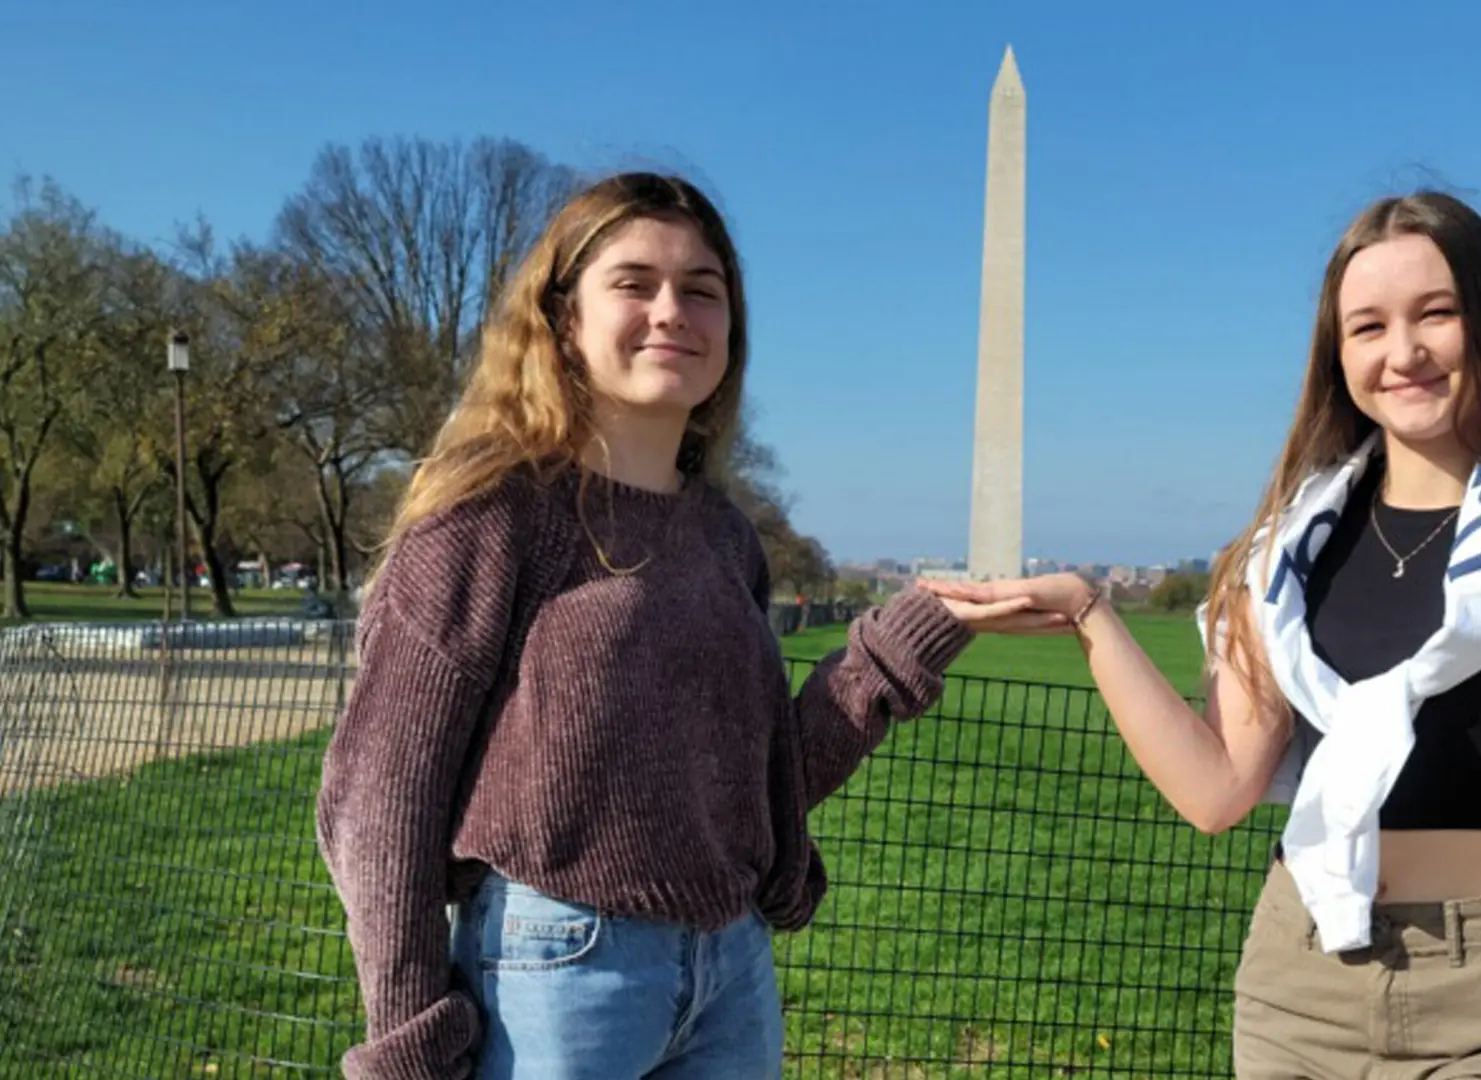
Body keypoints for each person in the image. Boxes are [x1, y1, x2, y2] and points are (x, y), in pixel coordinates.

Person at [923, 190, 1481, 1080]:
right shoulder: (1281, 556)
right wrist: (1088, 615)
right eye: (1367, 327)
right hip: (1296, 985)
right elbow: (1217, 790)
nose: (1403, 352)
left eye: (1437, 314)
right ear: (1336, 355)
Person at [314, 171, 1054, 1080]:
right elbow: (382, 795)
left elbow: (759, 785)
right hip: (555, 977)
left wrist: (913, 635)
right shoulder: (490, 522)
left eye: (702, 291)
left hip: (730, 970)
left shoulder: (726, 539)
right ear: (562, 319)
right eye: (634, 283)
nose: (672, 311)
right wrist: (407, 1043)